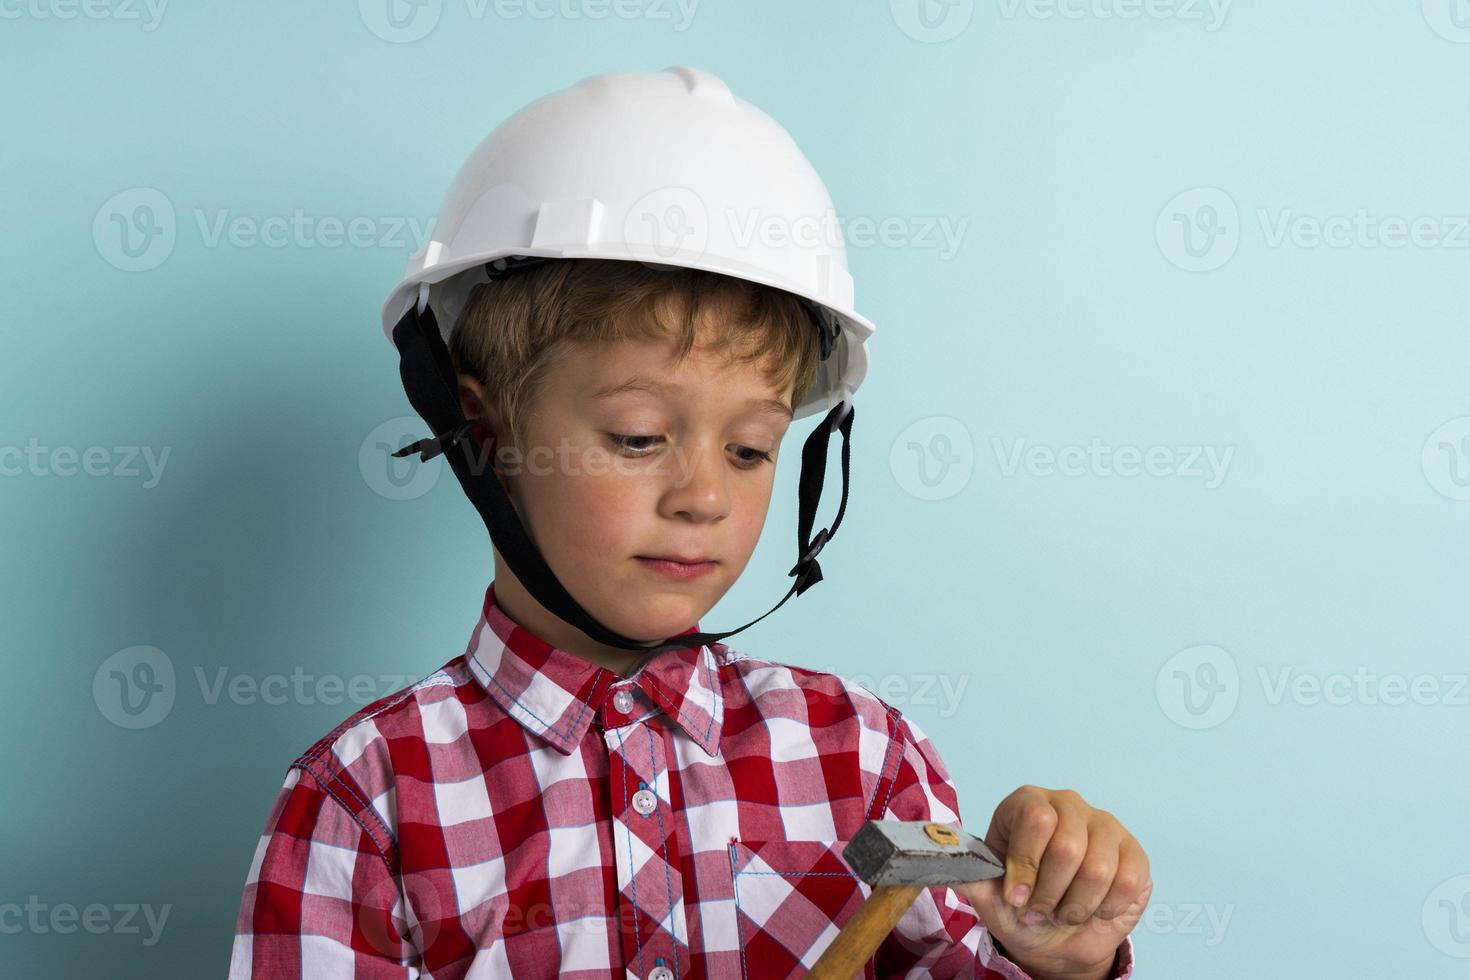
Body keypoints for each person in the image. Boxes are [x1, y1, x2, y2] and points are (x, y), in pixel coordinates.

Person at [227, 65, 1149, 979]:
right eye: (637, 438)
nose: (703, 496)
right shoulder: (367, 803)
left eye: (749, 450)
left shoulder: (863, 759)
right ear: (486, 436)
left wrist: (1054, 963)